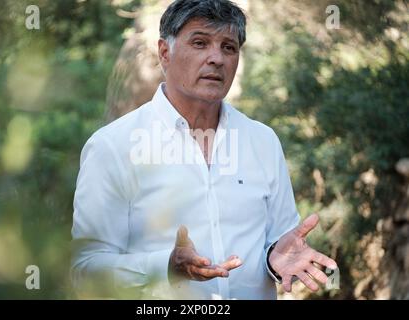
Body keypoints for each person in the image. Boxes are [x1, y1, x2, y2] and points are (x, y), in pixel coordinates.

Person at [71, 0, 338, 299]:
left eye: (228, 47)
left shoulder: (262, 141)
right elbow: (86, 268)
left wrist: (277, 258)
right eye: (200, 43)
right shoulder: (113, 146)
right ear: (164, 53)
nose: (217, 59)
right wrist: (165, 266)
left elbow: (277, 245)